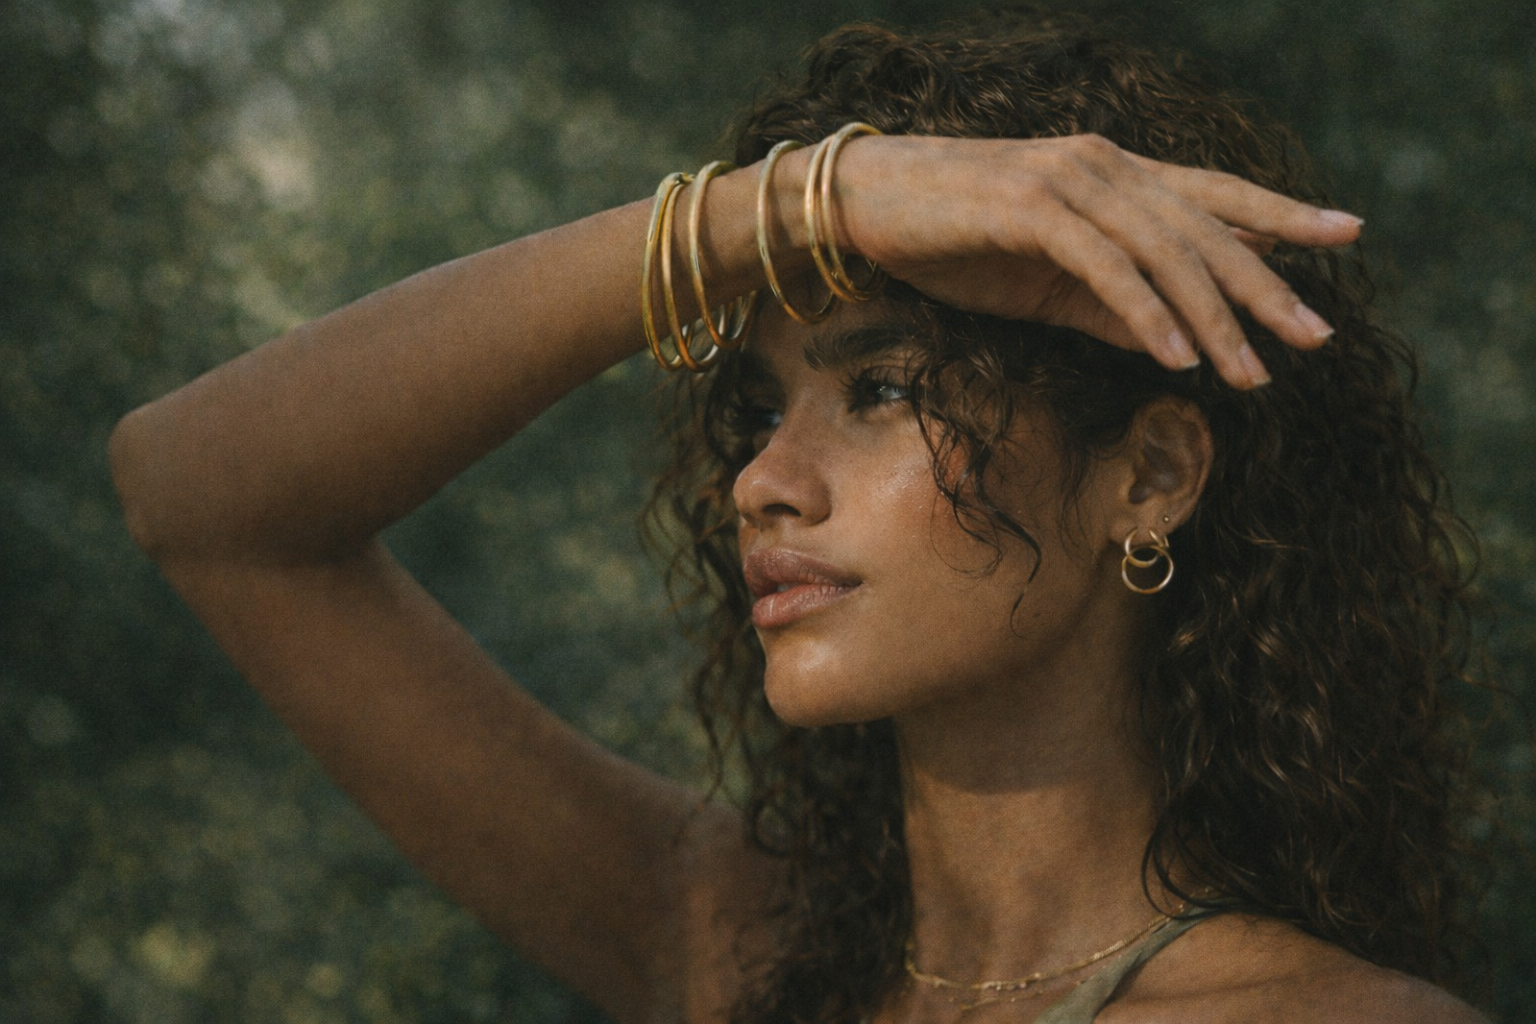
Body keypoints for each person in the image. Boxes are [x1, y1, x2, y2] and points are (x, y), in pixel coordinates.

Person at [109, 11, 1490, 1023]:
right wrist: (775, 207)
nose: (762, 480)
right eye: (756, 410)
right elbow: (197, 493)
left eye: (882, 389)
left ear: (1150, 478)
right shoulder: (731, 947)